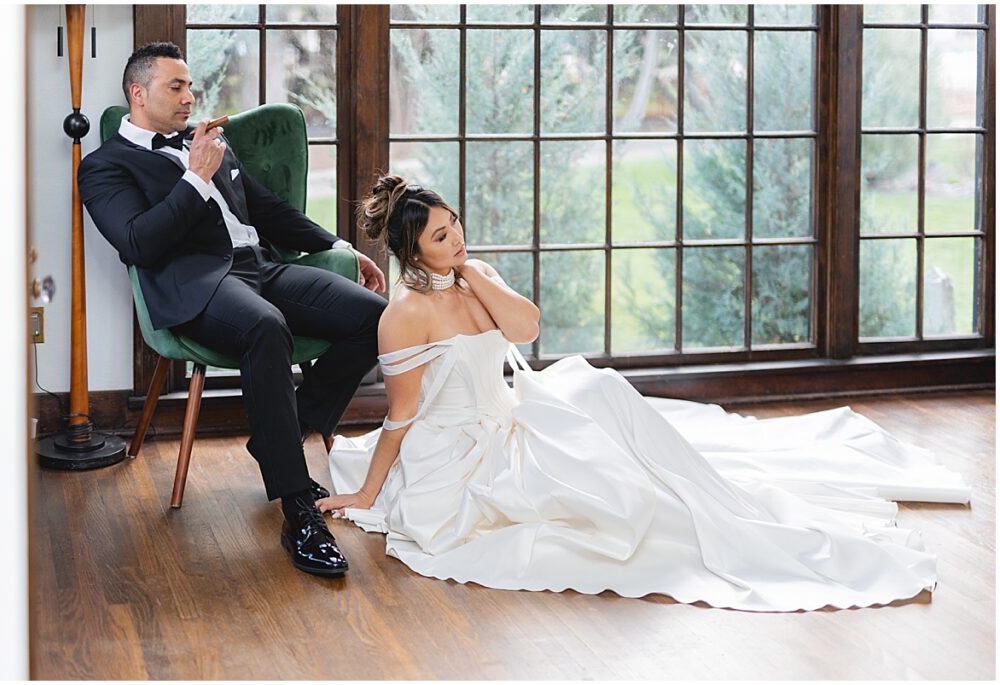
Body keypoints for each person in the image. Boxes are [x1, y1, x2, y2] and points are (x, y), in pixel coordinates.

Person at [316, 174, 971, 612]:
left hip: (510, 417)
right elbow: (401, 418)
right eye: (440, 235)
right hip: (455, 457)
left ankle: (701, 495)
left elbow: (528, 327)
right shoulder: (402, 315)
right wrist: (371, 493)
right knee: (611, 498)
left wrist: (466, 273)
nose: (457, 236)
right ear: (410, 250)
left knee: (596, 391)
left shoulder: (474, 271)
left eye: (455, 222)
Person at [78, 42, 388, 577]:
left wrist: (342, 246)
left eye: (189, 85)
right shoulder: (105, 167)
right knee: (266, 327)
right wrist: (194, 177)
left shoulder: (209, 141)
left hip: (260, 268)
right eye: (175, 86)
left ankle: (278, 440)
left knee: (376, 317)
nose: (189, 96)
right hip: (197, 284)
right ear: (138, 92)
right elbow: (139, 244)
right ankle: (298, 509)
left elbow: (266, 209)